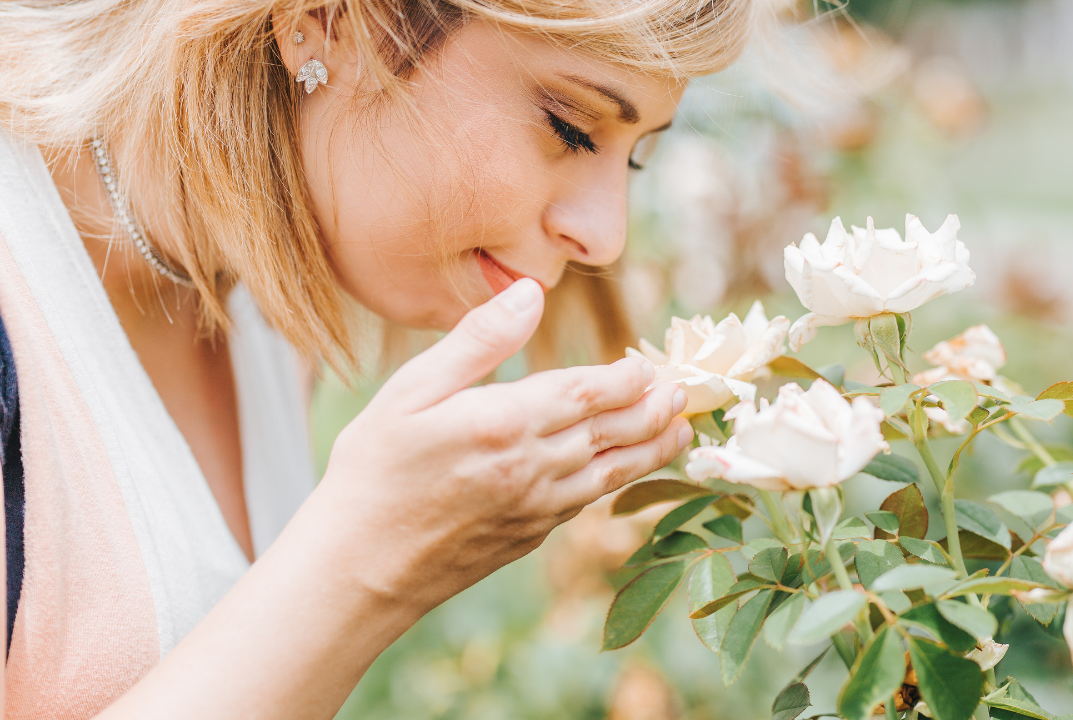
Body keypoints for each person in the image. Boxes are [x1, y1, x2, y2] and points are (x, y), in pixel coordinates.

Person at [0, 0, 761, 716]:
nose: (607, 236)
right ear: (325, 21)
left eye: (632, 161)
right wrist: (365, 566)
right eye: (570, 128)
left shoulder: (266, 313)